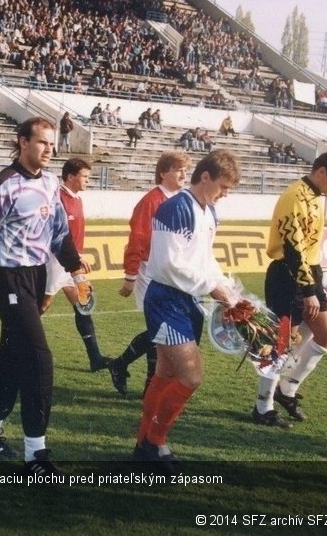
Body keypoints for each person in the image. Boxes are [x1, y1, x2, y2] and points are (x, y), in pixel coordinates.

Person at [0, 117, 89, 474]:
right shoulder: (2, 184)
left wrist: (76, 269)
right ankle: (36, 454)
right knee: (38, 358)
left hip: (34, 277)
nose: (49, 150)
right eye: (42, 143)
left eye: (52, 144)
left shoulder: (51, 184)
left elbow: (59, 235)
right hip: (8, 278)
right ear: (22, 142)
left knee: (12, 356)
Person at [133, 149, 240, 470]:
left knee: (166, 373)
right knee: (191, 376)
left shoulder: (208, 211)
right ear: (204, 177)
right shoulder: (175, 208)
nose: (225, 194)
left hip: (188, 300)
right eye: (223, 186)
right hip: (166, 299)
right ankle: (155, 441)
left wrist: (229, 290)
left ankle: (142, 445)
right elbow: (167, 265)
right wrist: (213, 288)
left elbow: (204, 260)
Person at [251, 150, 327, 428]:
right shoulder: (295, 196)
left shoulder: (315, 195)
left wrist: (322, 284)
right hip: (287, 275)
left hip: (309, 274)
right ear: (321, 172)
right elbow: (293, 248)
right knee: (281, 345)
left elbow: (310, 249)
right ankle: (262, 406)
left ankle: (286, 391)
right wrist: (309, 290)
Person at [111, 151, 192, 396]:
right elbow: (138, 239)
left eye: (185, 170)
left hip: (170, 273)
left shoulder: (182, 200)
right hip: (149, 271)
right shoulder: (151, 201)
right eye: (179, 169)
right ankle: (147, 386)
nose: (184, 174)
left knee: (161, 331)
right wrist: (130, 275)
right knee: (159, 331)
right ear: (163, 172)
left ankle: (121, 365)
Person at [42, 158, 110, 372]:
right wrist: (75, 257)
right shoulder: (57, 198)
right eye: (85, 176)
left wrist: (79, 256)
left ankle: (95, 358)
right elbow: (55, 234)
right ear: (71, 177)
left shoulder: (77, 199)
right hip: (55, 260)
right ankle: (14, 348)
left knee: (83, 306)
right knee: (41, 306)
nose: (88, 181)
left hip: (73, 262)